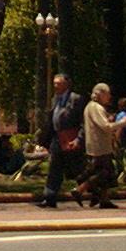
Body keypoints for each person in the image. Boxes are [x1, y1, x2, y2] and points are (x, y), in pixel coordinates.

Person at [72, 82, 126, 209]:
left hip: (97, 145)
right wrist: (122, 123)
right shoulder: (96, 108)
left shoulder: (91, 107)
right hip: (100, 146)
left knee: (106, 172)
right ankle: (80, 189)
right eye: (107, 94)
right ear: (100, 94)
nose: (109, 97)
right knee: (103, 172)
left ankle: (104, 199)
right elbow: (105, 126)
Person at [36, 73, 86, 208]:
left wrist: (78, 139)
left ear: (67, 84)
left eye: (58, 83)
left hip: (71, 139)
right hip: (58, 139)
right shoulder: (55, 99)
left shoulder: (76, 99)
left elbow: (83, 122)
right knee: (54, 168)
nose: (55, 86)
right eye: (54, 83)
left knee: (78, 169)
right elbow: (52, 120)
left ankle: (96, 193)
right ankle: (49, 198)